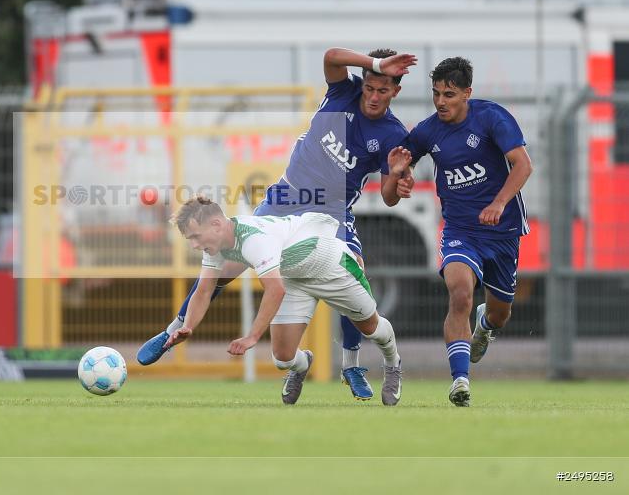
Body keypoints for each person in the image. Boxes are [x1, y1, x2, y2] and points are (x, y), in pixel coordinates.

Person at [137, 47, 416, 402]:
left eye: (383, 90)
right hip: (286, 198)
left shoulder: (392, 134)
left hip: (332, 213)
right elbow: (331, 55)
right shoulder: (343, 92)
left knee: (353, 275)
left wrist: (395, 178)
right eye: (371, 87)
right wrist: (376, 65)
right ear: (363, 82)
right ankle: (173, 330)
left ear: (396, 92)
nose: (374, 97)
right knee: (224, 265)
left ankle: (351, 364)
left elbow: (390, 197)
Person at [383, 57, 532, 407]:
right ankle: (460, 380)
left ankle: (485, 326)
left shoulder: (491, 117)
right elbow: (390, 196)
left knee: (499, 314)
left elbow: (524, 165)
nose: (440, 102)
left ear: (467, 93)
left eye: (449, 94)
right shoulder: (427, 132)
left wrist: (498, 203)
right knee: (460, 291)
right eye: (436, 94)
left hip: (503, 230)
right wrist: (396, 178)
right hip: (460, 230)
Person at [166, 196, 403, 406]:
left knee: (372, 329)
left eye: (196, 237)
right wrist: (187, 327)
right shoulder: (214, 248)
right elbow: (204, 291)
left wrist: (252, 336)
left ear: (216, 224)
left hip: (332, 267)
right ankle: (302, 365)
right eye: (190, 239)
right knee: (282, 358)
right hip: (294, 279)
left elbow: (274, 290)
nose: (194, 245)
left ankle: (392, 363)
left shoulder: (253, 239)